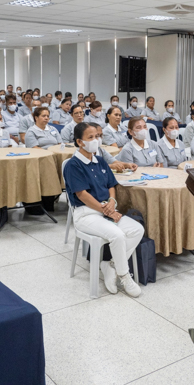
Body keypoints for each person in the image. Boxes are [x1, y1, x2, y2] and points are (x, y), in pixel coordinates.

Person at [63, 122, 143, 297]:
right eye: (90, 137)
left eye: (97, 137)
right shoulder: (73, 165)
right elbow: (83, 195)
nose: (96, 140)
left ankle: (111, 265)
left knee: (137, 229)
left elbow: (111, 185)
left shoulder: (99, 160)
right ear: (79, 142)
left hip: (105, 209)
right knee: (118, 235)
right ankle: (124, 275)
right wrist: (107, 210)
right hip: (86, 214)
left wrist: (112, 201)